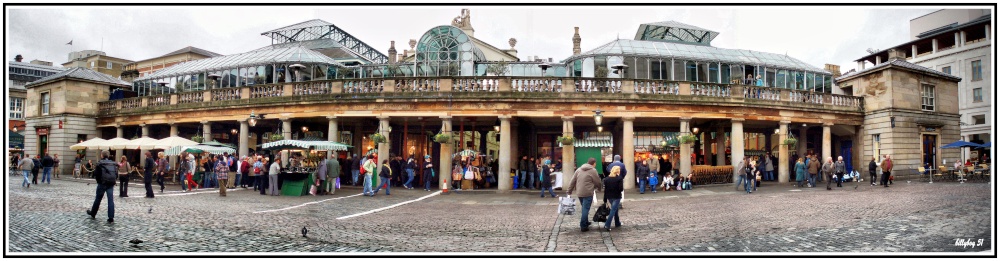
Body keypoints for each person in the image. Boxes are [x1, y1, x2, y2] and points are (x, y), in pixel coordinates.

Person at [566, 158, 603, 232]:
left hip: (579, 193)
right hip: (588, 192)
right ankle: (583, 225)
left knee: (584, 207)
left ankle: (585, 222)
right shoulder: (593, 170)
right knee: (585, 209)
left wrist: (569, 191)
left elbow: (572, 181)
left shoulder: (579, 169)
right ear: (594, 163)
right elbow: (597, 181)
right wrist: (599, 188)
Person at [87, 151, 117, 223]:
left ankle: (93, 213)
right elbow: (116, 173)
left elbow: (96, 174)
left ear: (102, 155)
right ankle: (111, 217)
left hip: (102, 183)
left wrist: (99, 181)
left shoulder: (100, 163)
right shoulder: (112, 163)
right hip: (110, 183)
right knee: (110, 200)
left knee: (98, 199)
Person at [602, 165, 626, 231]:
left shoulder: (606, 179)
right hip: (616, 196)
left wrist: (605, 198)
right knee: (613, 210)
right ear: (618, 171)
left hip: (609, 196)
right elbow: (621, 189)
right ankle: (607, 224)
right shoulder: (619, 178)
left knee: (615, 209)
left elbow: (605, 190)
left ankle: (617, 223)